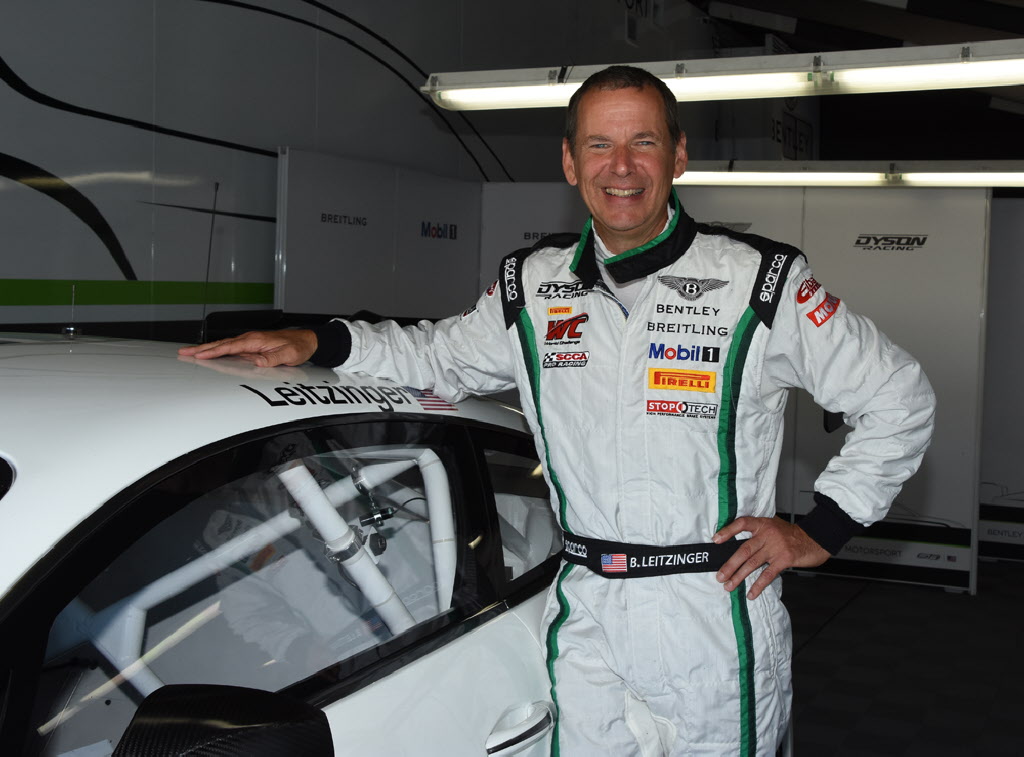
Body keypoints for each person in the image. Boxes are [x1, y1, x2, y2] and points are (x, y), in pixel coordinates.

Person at [180, 66, 935, 756]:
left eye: (643, 142)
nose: (622, 166)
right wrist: (321, 338)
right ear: (571, 164)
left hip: (713, 612)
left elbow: (898, 395)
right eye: (599, 145)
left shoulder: (759, 281)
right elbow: (436, 355)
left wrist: (819, 529)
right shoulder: (531, 285)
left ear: (678, 156)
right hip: (588, 609)